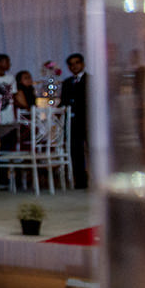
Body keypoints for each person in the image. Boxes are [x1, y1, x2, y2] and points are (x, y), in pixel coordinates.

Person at [60, 52, 88, 189]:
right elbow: (63, 102)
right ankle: (81, 181)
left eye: (77, 63)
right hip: (73, 122)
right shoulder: (66, 82)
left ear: (82, 64)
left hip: (88, 121)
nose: (74, 66)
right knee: (76, 152)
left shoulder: (91, 80)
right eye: (71, 64)